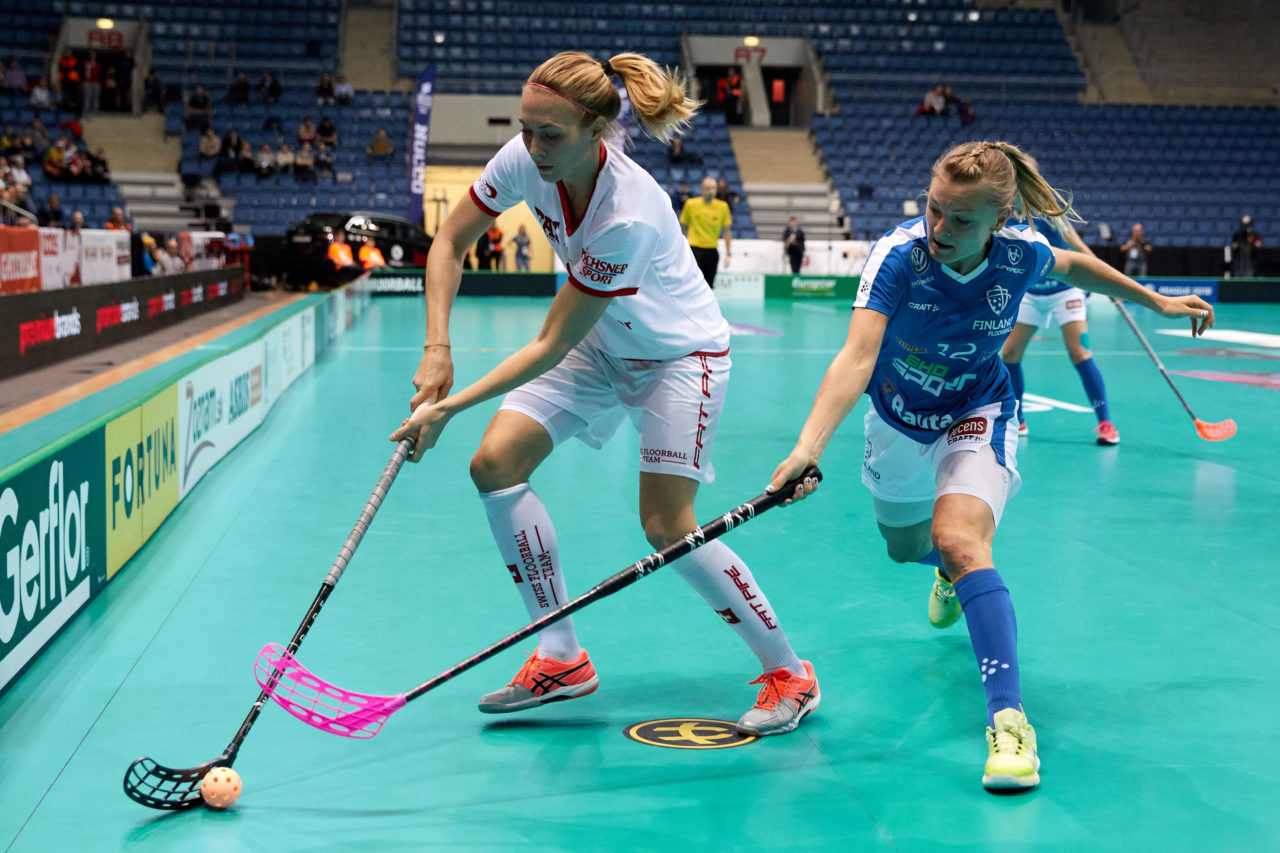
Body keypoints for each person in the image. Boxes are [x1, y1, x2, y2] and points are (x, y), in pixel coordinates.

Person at [391, 50, 819, 737]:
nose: (532, 148)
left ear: (597, 133)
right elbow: (449, 240)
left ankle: (789, 671)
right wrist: (435, 349)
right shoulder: (525, 157)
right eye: (525, 129)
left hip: (679, 357)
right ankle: (560, 655)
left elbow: (550, 344)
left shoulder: (629, 212)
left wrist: (449, 406)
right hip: (603, 343)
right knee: (494, 465)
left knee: (667, 526)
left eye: (550, 135)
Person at [767, 139, 1213, 790]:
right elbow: (857, 356)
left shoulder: (1020, 256)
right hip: (895, 418)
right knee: (904, 547)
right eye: (934, 209)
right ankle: (947, 575)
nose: (939, 228)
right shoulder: (900, 258)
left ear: (999, 221)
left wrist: (1159, 301)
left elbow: (1078, 269)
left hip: (978, 409)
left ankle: (1010, 724)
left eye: (960, 219)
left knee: (961, 539)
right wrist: (807, 446)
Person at [1001, 197, 1119, 445]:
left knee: (1080, 353)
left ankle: (1105, 422)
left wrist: (1109, 281)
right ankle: (1018, 418)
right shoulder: (1002, 214)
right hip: (1031, 293)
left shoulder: (1049, 214)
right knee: (1010, 354)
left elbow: (1076, 245)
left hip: (1065, 290)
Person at [680, 175, 731, 287]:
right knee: (694, 285)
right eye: (708, 188)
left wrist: (728, 254)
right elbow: (682, 229)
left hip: (712, 251)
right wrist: (680, 250)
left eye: (713, 188)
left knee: (708, 288)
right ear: (702, 189)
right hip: (694, 250)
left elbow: (727, 232)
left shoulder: (723, 207)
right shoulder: (691, 204)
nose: (710, 191)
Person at [81, 51, 101, 115]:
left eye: (94, 55)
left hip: (96, 82)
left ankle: (95, 111)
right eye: (92, 54)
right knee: (87, 96)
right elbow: (84, 72)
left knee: (96, 97)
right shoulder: (86, 63)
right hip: (88, 82)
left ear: (96, 56)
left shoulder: (98, 64)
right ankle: (86, 110)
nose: (93, 56)